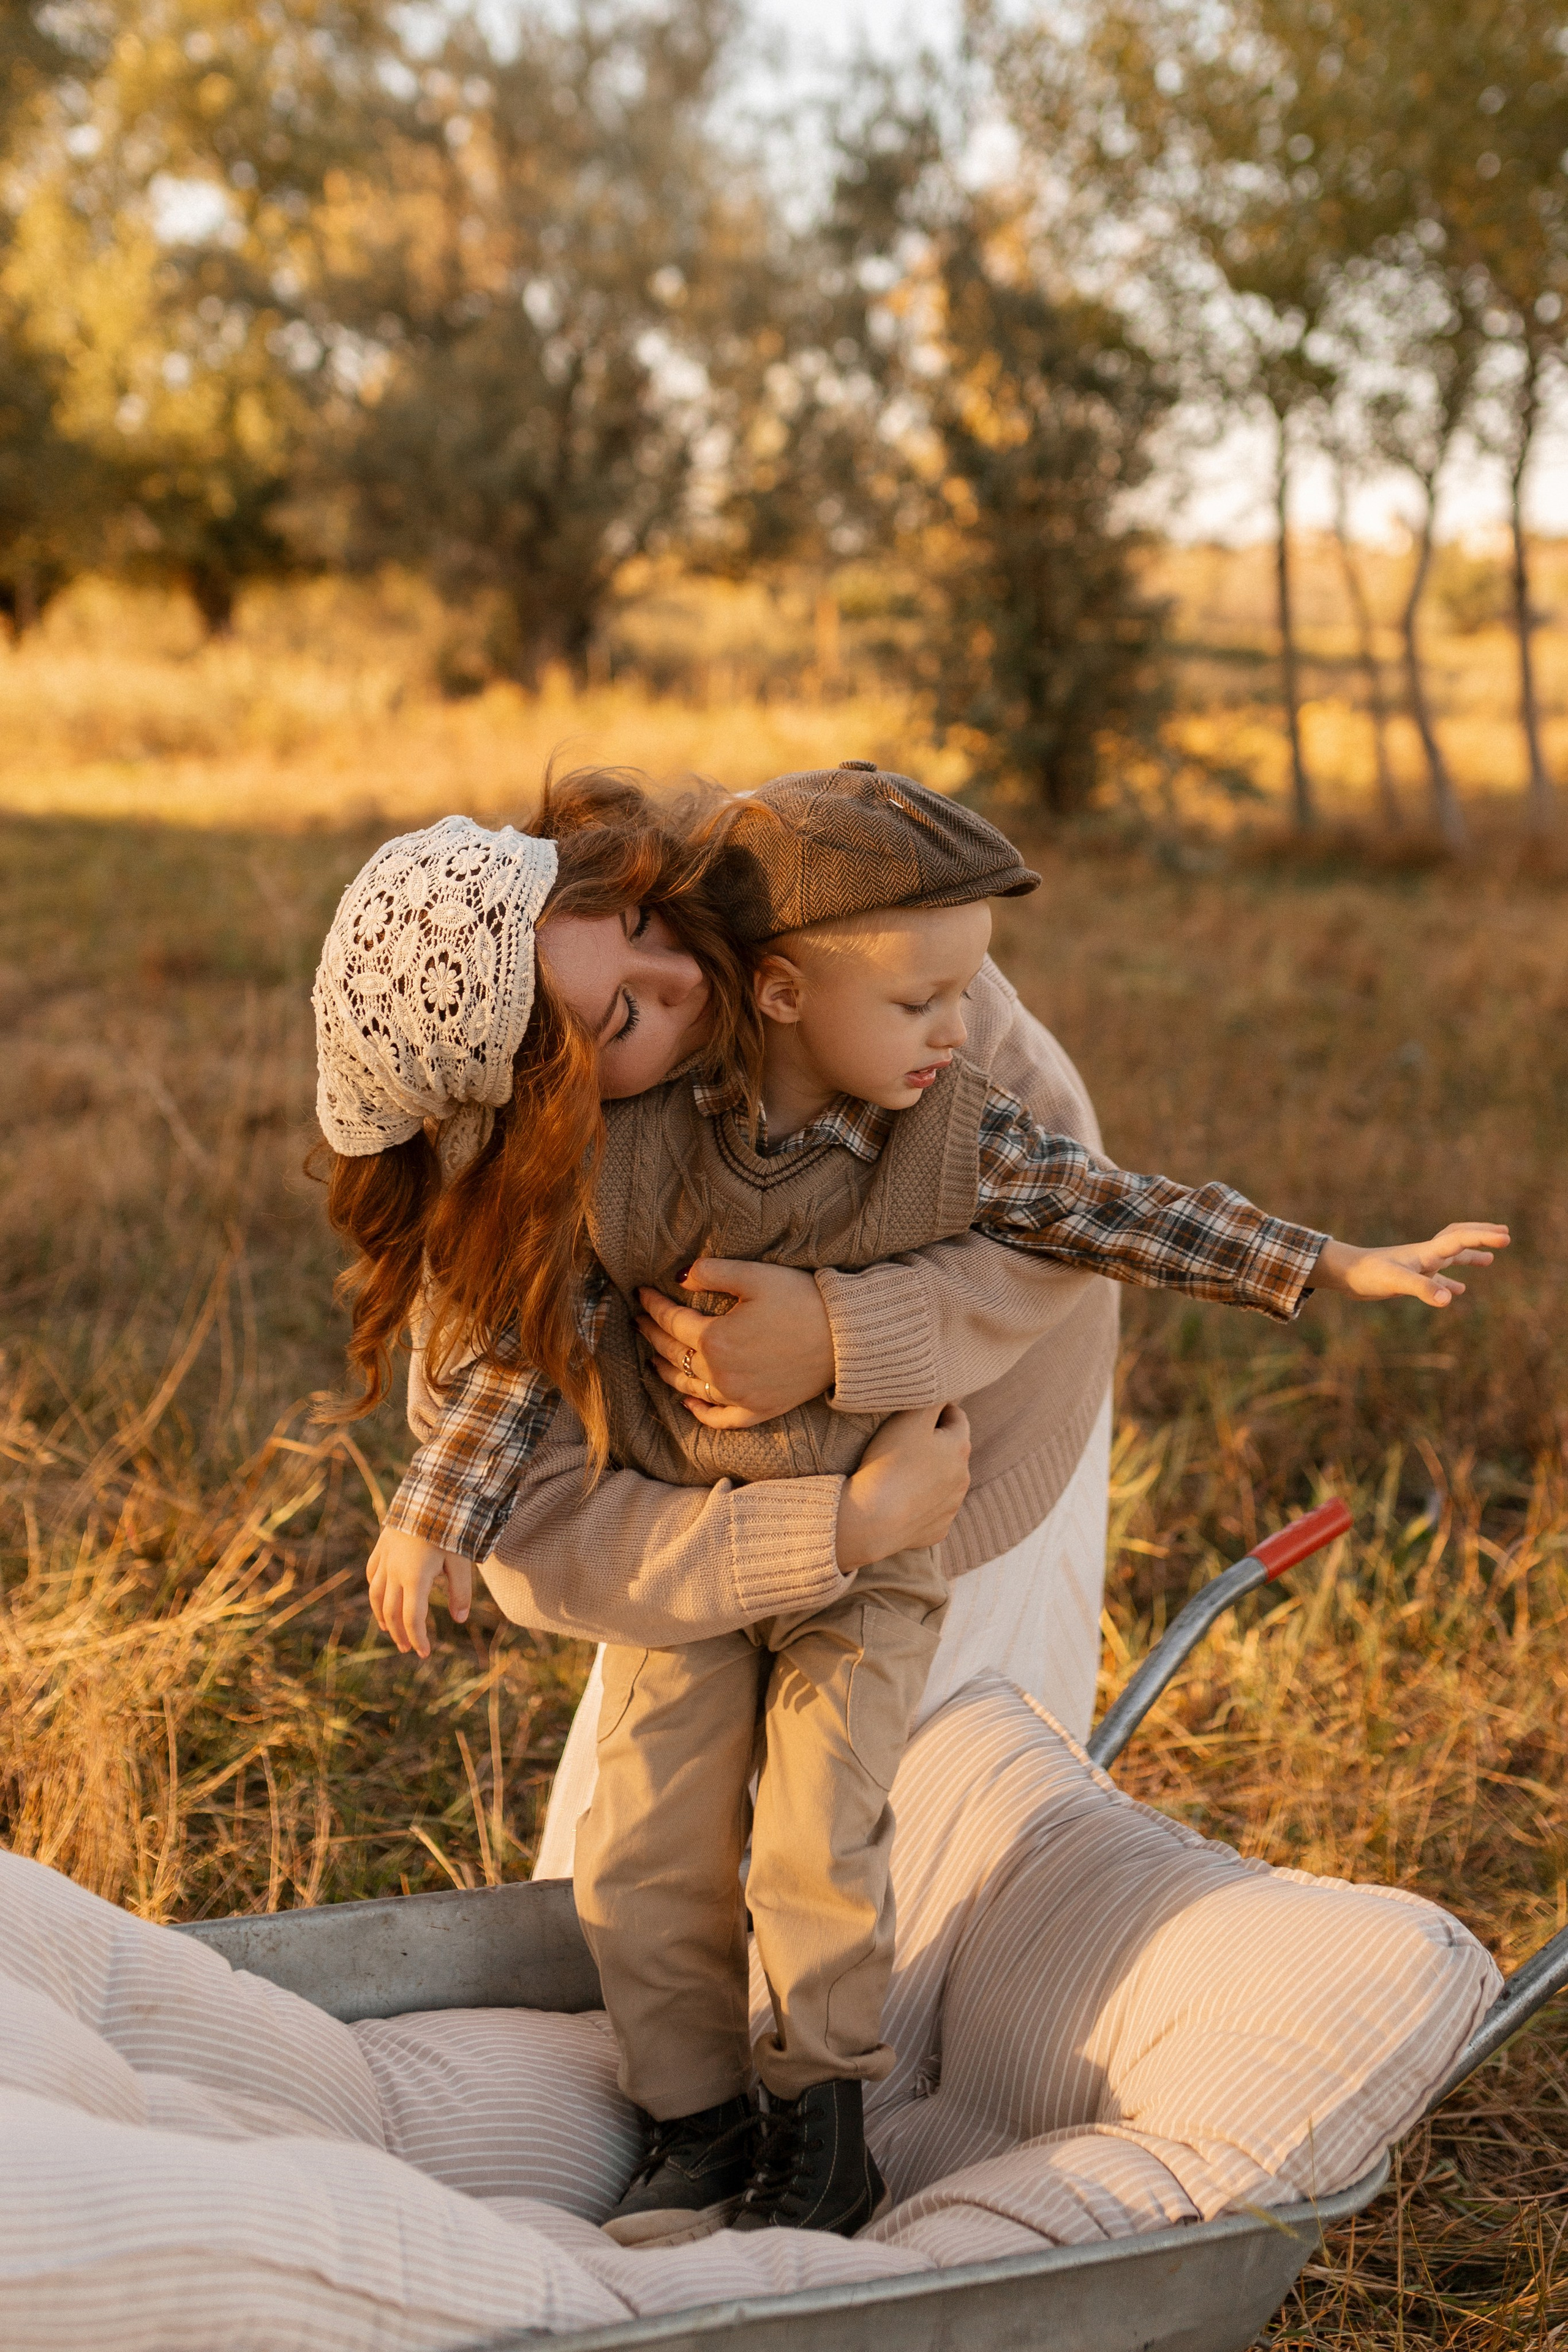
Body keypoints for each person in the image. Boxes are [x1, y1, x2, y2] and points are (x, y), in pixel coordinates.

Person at [337, 766, 1507, 2250]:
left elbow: (1113, 1208)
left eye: (638, 930)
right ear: (543, 1098)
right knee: (637, 1848)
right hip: (695, 1547)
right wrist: (431, 1514)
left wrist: (1328, 1260)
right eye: (619, 1013)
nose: (667, 980)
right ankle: (694, 2124)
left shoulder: (904, 1017)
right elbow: (517, 1360)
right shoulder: (596, 1161)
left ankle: (820, 2128)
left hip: (917, 1494)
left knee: (826, 1838)